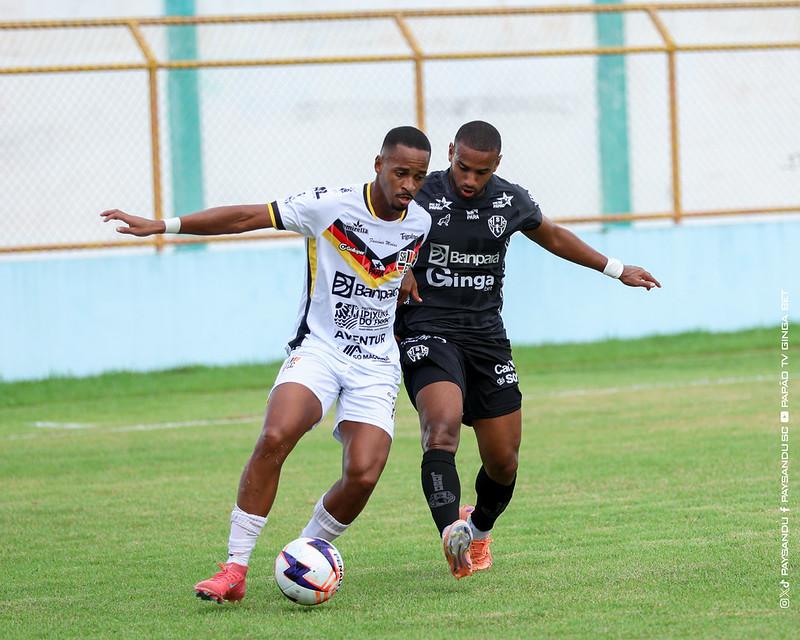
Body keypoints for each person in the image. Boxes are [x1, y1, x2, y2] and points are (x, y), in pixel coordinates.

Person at [101, 126, 432, 603]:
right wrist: (164, 225)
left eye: (418, 177)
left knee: (363, 473)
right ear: (377, 164)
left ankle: (304, 552)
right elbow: (244, 217)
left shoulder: (417, 223)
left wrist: (404, 276)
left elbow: (398, 258)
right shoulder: (329, 205)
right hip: (320, 350)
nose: (408, 185)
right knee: (276, 434)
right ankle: (234, 570)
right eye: (400, 172)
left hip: (376, 364)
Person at [395, 121, 660, 579]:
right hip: (428, 328)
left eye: (480, 172)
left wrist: (617, 269)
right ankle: (451, 535)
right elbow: (372, 230)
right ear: (450, 151)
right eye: (462, 167)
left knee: (503, 460)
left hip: (486, 337)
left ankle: (477, 531)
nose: (469, 180)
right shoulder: (421, 194)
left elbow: (553, 236)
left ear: (496, 165)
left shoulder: (509, 199)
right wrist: (397, 266)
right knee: (441, 430)